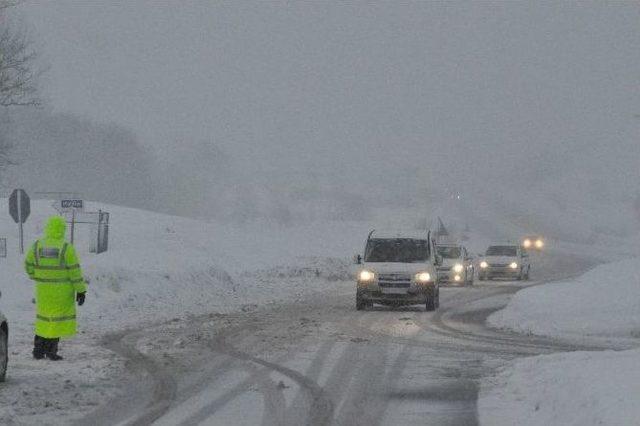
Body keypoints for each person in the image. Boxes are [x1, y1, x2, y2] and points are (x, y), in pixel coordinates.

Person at [24, 216, 87, 360]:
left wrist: (37, 276)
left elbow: (27, 265)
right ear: (62, 229)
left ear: (48, 228)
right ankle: (51, 351)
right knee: (56, 321)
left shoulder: (37, 245)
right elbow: (75, 272)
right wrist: (81, 290)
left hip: (43, 291)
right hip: (61, 292)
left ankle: (38, 350)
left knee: (43, 320)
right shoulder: (66, 248)